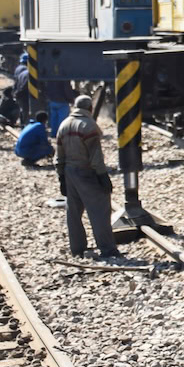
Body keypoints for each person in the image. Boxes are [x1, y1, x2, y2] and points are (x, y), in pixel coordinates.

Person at [55, 94, 121, 260]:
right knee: (99, 210)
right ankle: (107, 248)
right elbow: (95, 157)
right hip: (87, 172)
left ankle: (77, 248)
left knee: (73, 211)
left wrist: (61, 176)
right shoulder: (89, 126)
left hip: (69, 172)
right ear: (90, 108)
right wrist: (103, 176)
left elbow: (59, 155)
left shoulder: (63, 125)